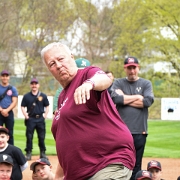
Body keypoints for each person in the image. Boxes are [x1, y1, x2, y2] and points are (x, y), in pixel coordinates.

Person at [41, 42, 136, 180]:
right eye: (52, 64)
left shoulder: (86, 74)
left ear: (72, 57)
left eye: (61, 59)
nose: (58, 65)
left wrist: (89, 84)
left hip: (107, 163)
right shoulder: (62, 97)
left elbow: (104, 79)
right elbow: (67, 142)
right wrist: (58, 177)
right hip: (79, 174)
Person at [110, 56, 154, 180]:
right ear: (125, 69)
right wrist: (138, 97)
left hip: (140, 131)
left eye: (134, 68)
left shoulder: (146, 83)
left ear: (138, 68)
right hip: (121, 132)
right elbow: (115, 99)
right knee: (120, 163)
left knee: (136, 165)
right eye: (129, 68)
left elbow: (147, 102)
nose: (132, 71)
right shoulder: (118, 83)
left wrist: (125, 98)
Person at [21, 78, 50, 161]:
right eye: (32, 84)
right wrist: (25, 115)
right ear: (30, 85)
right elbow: (22, 106)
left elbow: (47, 106)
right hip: (31, 119)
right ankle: (28, 153)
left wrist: (45, 115)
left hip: (40, 118)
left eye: (35, 84)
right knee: (29, 137)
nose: (34, 85)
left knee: (41, 136)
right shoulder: (26, 96)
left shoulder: (43, 96)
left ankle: (42, 153)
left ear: (38, 85)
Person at [0, 70, 18, 145]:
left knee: (10, 133)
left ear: (9, 77)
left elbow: (14, 101)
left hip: (9, 113)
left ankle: (10, 151)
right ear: (1, 77)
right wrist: (2, 110)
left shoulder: (12, 88)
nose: (5, 78)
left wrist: (7, 110)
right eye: (3, 76)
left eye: (6, 76)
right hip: (0, 112)